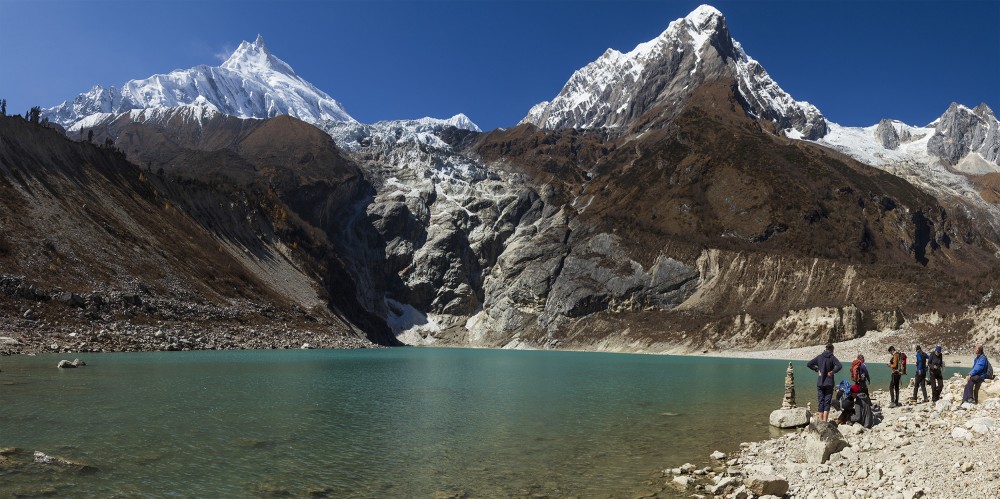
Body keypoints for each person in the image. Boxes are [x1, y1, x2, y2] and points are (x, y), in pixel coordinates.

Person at [807, 343, 843, 422]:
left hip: (820, 383)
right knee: (827, 401)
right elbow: (839, 366)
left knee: (821, 401)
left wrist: (817, 370)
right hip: (829, 383)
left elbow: (809, 364)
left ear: (825, 349)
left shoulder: (819, 357)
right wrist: (832, 372)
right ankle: (825, 421)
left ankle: (820, 421)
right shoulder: (832, 357)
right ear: (832, 349)